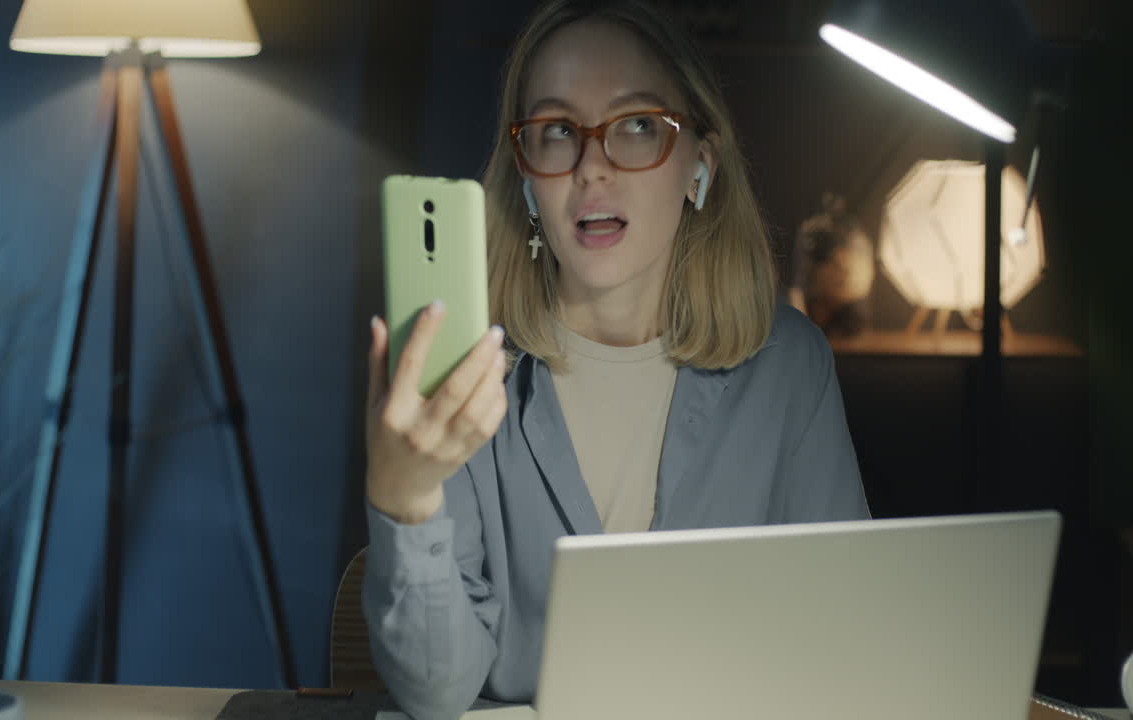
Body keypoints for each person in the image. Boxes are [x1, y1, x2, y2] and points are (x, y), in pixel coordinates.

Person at [361, 1, 870, 718]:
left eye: (636, 126)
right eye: (557, 132)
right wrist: (404, 500)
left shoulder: (788, 364)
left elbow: (841, 641)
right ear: (527, 176)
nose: (593, 167)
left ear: (700, 163)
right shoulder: (467, 374)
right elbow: (437, 694)